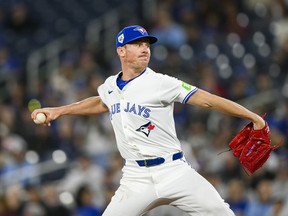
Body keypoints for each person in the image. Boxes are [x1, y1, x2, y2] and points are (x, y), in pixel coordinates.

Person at [31, 25, 266, 216]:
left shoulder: (161, 82)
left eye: (147, 45)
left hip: (174, 171)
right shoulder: (110, 86)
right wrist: (59, 111)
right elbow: (101, 102)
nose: (145, 49)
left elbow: (208, 100)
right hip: (135, 177)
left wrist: (251, 115)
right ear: (121, 51)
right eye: (137, 44)